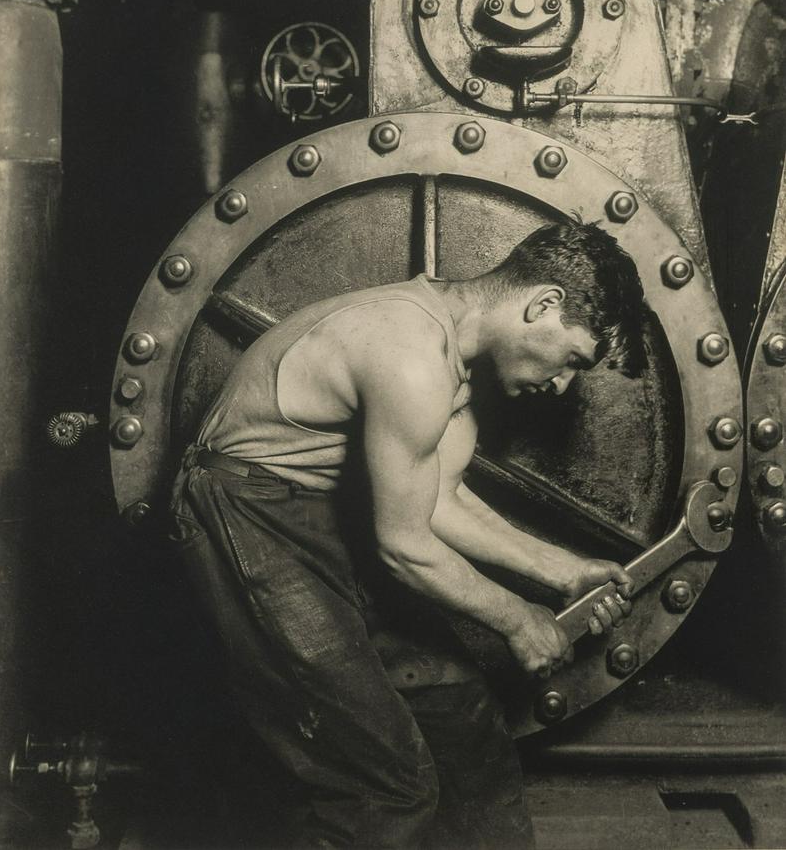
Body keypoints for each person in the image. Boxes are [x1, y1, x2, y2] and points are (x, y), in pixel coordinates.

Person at [169, 219, 648, 849]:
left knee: (461, 721)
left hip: (318, 512)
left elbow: (438, 500)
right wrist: (518, 619)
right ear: (543, 304)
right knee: (385, 782)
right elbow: (402, 544)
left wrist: (564, 569)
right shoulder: (411, 354)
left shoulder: (454, 361)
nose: (562, 385)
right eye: (573, 361)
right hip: (245, 514)